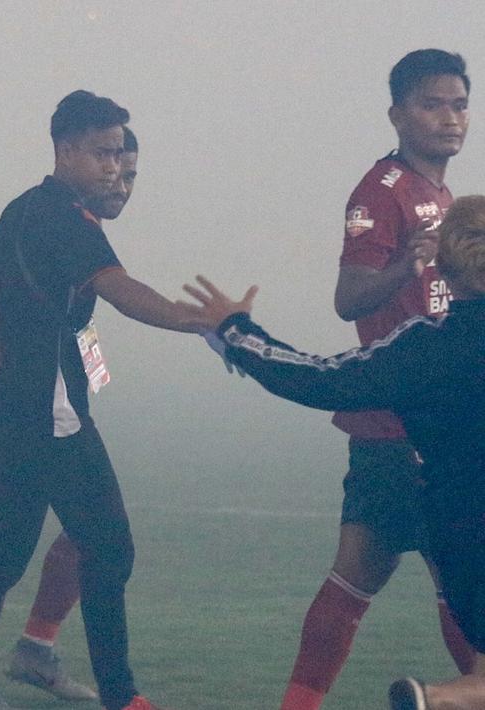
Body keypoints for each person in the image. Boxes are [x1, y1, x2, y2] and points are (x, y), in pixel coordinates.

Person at [0, 90, 203, 710]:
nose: (114, 169)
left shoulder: (23, 207)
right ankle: (122, 695)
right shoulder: (67, 220)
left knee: (1, 553)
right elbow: (120, 289)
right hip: (51, 415)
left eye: (121, 158)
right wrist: (199, 321)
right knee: (109, 546)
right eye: (104, 155)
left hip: (7, 407)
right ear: (66, 150)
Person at [182, 193, 485, 710]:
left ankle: (434, 699)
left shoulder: (424, 346)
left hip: (456, 531)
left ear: (443, 270)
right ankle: (436, 700)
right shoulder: (385, 192)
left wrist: (237, 332)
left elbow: (319, 379)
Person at [274, 49, 474, 710]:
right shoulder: (381, 192)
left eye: (457, 103)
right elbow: (350, 296)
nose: (448, 118)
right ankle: (442, 697)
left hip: (400, 428)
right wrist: (404, 266)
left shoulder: (439, 195)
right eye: (430, 104)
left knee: (355, 579)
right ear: (396, 113)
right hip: (411, 429)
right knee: (460, 583)